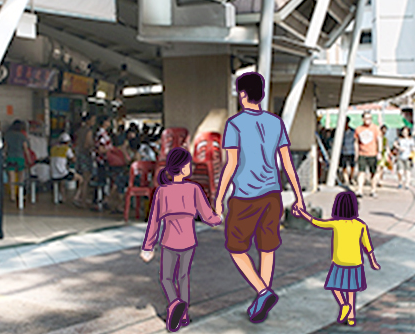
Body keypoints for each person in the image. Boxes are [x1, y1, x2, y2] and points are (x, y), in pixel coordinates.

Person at [214, 71, 306, 324]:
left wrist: (218, 199)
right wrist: (298, 196)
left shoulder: (234, 124)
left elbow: (230, 165)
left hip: (245, 196)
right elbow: (287, 162)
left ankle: (263, 291)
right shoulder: (275, 122)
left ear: (243, 94)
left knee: (235, 248)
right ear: (262, 94)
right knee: (267, 249)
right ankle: (260, 304)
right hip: (272, 195)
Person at [141, 147, 222, 332]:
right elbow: (208, 217)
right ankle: (183, 315)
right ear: (183, 168)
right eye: (189, 164)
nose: (191, 166)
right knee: (183, 277)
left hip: (169, 240)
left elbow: (154, 222)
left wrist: (148, 246)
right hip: (189, 241)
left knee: (166, 278)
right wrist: (219, 218)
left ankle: (174, 304)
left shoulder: (162, 191)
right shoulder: (194, 189)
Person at [292, 191, 380, 327]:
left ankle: (344, 305)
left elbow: (317, 222)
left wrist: (303, 214)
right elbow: (367, 245)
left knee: (335, 286)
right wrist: (373, 261)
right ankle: (351, 317)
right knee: (351, 292)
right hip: (356, 263)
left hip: (339, 262)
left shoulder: (336, 223)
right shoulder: (360, 225)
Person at [355, 113, 383, 198]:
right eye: (366, 118)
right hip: (362, 153)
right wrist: (356, 153)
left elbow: (379, 140)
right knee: (361, 172)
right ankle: (360, 190)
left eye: (370, 118)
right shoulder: (359, 129)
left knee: (373, 172)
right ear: (362, 119)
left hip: (373, 153)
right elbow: (356, 142)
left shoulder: (375, 128)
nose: (368, 120)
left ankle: (373, 190)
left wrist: (380, 152)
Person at [73, 115, 95, 208]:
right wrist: (94, 146)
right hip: (86, 156)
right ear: (88, 121)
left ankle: (78, 196)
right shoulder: (88, 131)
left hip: (79, 155)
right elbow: (87, 144)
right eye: (93, 120)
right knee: (86, 179)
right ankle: (82, 200)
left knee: (81, 178)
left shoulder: (79, 130)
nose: (94, 122)